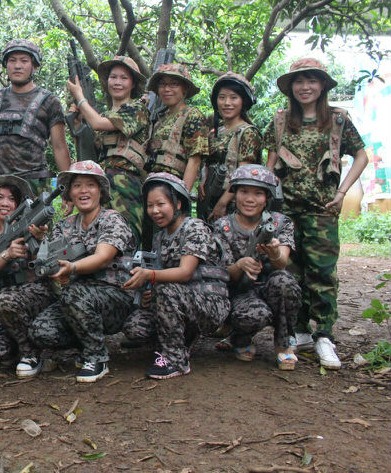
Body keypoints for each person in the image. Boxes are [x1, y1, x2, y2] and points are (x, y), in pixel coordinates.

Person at [265, 58, 367, 369]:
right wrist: (266, 203)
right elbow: (270, 164)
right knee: (290, 273)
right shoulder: (281, 121)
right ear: (290, 88)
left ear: (322, 85)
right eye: (299, 81)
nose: (305, 87)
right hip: (287, 212)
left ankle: (324, 335)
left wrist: (342, 192)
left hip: (322, 211)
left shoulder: (337, 119)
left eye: (311, 81)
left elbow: (361, 155)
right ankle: (299, 331)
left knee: (322, 274)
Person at [27, 161, 136, 382]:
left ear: (101, 191)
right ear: (70, 192)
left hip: (116, 299)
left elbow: (103, 257)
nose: (83, 190)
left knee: (73, 294)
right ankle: (84, 346)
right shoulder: (64, 226)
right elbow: (49, 262)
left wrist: (73, 268)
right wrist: (40, 243)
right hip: (77, 300)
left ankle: (97, 358)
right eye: (77, 185)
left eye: (90, 185)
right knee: (41, 330)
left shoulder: (112, 219)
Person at [122, 173, 230, 379]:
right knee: (135, 327)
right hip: (180, 300)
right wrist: (149, 295)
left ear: (178, 203)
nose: (155, 211)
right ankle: (180, 339)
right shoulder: (159, 238)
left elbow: (185, 272)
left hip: (210, 304)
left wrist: (149, 276)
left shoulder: (194, 228)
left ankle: (176, 360)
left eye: (161, 204)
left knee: (165, 289)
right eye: (150, 205)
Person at [212, 165, 301, 370]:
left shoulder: (280, 223)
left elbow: (282, 263)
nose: (250, 199)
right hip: (240, 292)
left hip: (270, 286)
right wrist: (240, 265)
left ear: (267, 197)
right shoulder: (222, 226)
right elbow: (223, 273)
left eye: (258, 193)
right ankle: (240, 337)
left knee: (285, 282)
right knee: (253, 315)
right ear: (234, 194)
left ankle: (283, 343)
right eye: (244, 191)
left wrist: (274, 253)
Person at [0, 174, 49, 368]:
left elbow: (48, 264)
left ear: (18, 204)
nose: (5, 203)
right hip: (0, 299)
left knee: (7, 301)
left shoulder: (32, 228)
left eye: (11, 199)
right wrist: (7, 254)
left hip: (35, 295)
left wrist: (40, 240)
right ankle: (16, 343)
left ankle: (30, 354)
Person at [66, 55, 149, 241]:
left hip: (126, 183)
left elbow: (97, 123)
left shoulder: (137, 110)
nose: (117, 82)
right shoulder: (105, 114)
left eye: (124, 78)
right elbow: (91, 153)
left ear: (133, 84)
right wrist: (78, 125)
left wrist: (80, 97)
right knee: (98, 238)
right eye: (113, 77)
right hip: (101, 184)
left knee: (125, 237)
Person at [0, 39, 71, 193]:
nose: (17, 66)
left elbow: (59, 147)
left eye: (24, 61)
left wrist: (68, 189)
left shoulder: (49, 101)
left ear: (34, 66)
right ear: (6, 65)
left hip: (33, 185)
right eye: (12, 60)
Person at [198, 72, 262, 221]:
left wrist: (222, 203)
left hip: (232, 205)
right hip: (208, 200)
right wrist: (203, 180)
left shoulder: (247, 132)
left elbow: (244, 175)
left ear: (243, 101)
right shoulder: (215, 132)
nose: (227, 103)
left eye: (234, 97)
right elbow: (207, 163)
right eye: (222, 97)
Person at [145, 63, 208, 191]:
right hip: (153, 185)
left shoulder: (193, 116)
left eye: (174, 84)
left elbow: (195, 160)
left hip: (174, 187)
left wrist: (182, 195)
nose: (166, 89)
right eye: (162, 84)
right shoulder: (159, 118)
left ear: (185, 89)